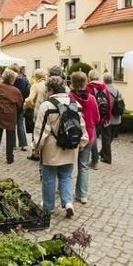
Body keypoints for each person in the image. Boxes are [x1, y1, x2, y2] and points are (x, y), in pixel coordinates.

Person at [33, 75, 87, 218]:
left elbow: (41, 130)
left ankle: (48, 206)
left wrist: (37, 148)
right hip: (71, 145)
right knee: (66, 176)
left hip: (51, 147)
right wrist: (82, 143)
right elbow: (81, 126)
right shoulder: (75, 104)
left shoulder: (47, 105)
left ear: (50, 89)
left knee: (49, 178)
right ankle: (68, 202)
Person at [69, 71, 100, 205]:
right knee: (83, 166)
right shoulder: (92, 99)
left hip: (72, 135)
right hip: (89, 135)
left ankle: (65, 192)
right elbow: (97, 118)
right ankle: (82, 195)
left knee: (68, 165)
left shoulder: (69, 97)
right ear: (85, 82)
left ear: (72, 83)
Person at [86, 69, 111, 169]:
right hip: (102, 117)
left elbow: (87, 104)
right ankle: (94, 160)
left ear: (89, 77)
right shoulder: (104, 88)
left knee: (92, 138)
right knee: (94, 138)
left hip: (92, 117)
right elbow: (109, 103)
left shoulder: (89, 88)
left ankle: (95, 161)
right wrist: (107, 117)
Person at [24, 69, 47, 161]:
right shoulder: (48, 84)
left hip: (38, 111)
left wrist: (29, 105)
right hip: (49, 110)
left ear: (36, 77)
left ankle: (35, 152)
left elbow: (30, 99)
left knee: (36, 130)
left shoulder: (35, 86)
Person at [101, 72, 122, 164]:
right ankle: (102, 152)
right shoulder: (117, 90)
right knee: (110, 138)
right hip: (116, 117)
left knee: (106, 137)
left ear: (104, 80)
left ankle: (107, 158)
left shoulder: (104, 90)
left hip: (108, 118)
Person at [10, 63, 31, 152]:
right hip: (21, 105)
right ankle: (23, 144)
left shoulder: (11, 81)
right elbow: (27, 93)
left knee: (12, 125)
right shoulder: (23, 80)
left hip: (12, 105)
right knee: (20, 124)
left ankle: (13, 144)